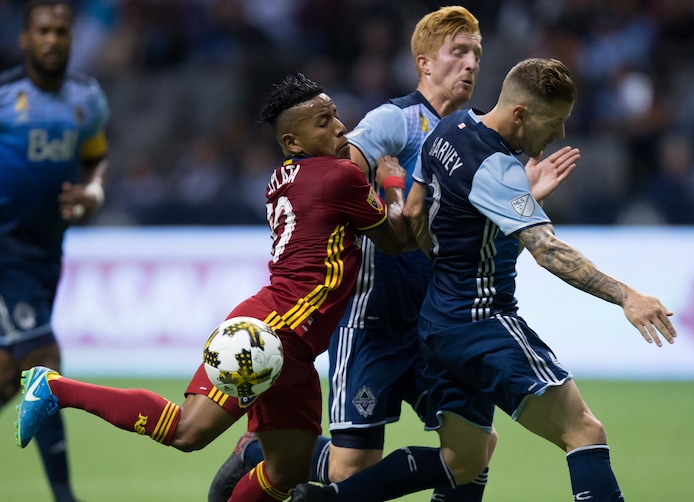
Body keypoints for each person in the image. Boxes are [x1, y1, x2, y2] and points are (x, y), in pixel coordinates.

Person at [211, 7, 582, 502]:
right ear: (424, 63)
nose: (471, 64)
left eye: (476, 53)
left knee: (472, 451)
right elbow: (335, 174)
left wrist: (526, 200)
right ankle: (260, 452)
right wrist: (388, 193)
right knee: (350, 469)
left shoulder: (485, 140)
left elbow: (473, 233)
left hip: (436, 320)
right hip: (374, 317)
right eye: (458, 52)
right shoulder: (396, 119)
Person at [290, 58, 677, 502]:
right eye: (555, 122)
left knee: (464, 461)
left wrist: (512, 204)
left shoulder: (449, 129)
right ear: (520, 114)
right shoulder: (498, 170)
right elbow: (548, 250)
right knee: (585, 432)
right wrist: (626, 295)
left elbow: (415, 213)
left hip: (437, 325)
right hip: (483, 324)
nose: (560, 135)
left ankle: (328, 500)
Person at [15, 72, 410, 502]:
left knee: (288, 468)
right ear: (293, 142)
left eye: (336, 116)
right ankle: (54, 387)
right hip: (270, 333)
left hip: (290, 337)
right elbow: (395, 240)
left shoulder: (284, 176)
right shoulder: (341, 178)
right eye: (323, 122)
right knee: (189, 430)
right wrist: (391, 182)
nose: (339, 128)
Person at [0, 1, 110, 501]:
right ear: (25, 39)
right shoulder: (4, 99)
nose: (52, 40)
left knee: (6, 377)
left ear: (71, 37)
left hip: (47, 251)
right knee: (44, 360)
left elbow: (95, 163)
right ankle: (65, 497)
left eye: (61, 31)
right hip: (6, 250)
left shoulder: (87, 100)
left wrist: (92, 195)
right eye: (43, 31)